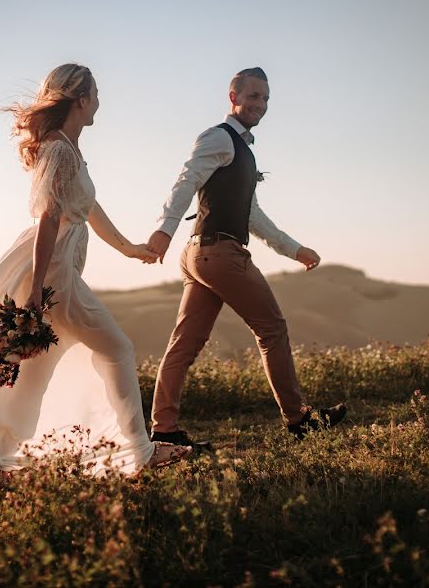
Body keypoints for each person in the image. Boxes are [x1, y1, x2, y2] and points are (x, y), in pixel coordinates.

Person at [0, 63, 190, 500]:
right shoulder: (60, 151)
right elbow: (49, 216)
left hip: (57, 268)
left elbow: (89, 209)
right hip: (55, 272)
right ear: (80, 99)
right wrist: (35, 291)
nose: (101, 101)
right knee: (116, 348)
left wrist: (130, 249)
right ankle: (140, 452)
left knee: (33, 373)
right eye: (96, 93)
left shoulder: (67, 148)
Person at [145, 67, 347, 447]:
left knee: (184, 345)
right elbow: (186, 180)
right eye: (253, 96)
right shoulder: (218, 138)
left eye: (266, 98)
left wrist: (293, 248)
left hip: (201, 254)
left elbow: (251, 213)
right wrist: (164, 229)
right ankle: (299, 419)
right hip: (220, 252)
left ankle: (164, 430)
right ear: (233, 97)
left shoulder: (242, 150)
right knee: (272, 329)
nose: (260, 105)